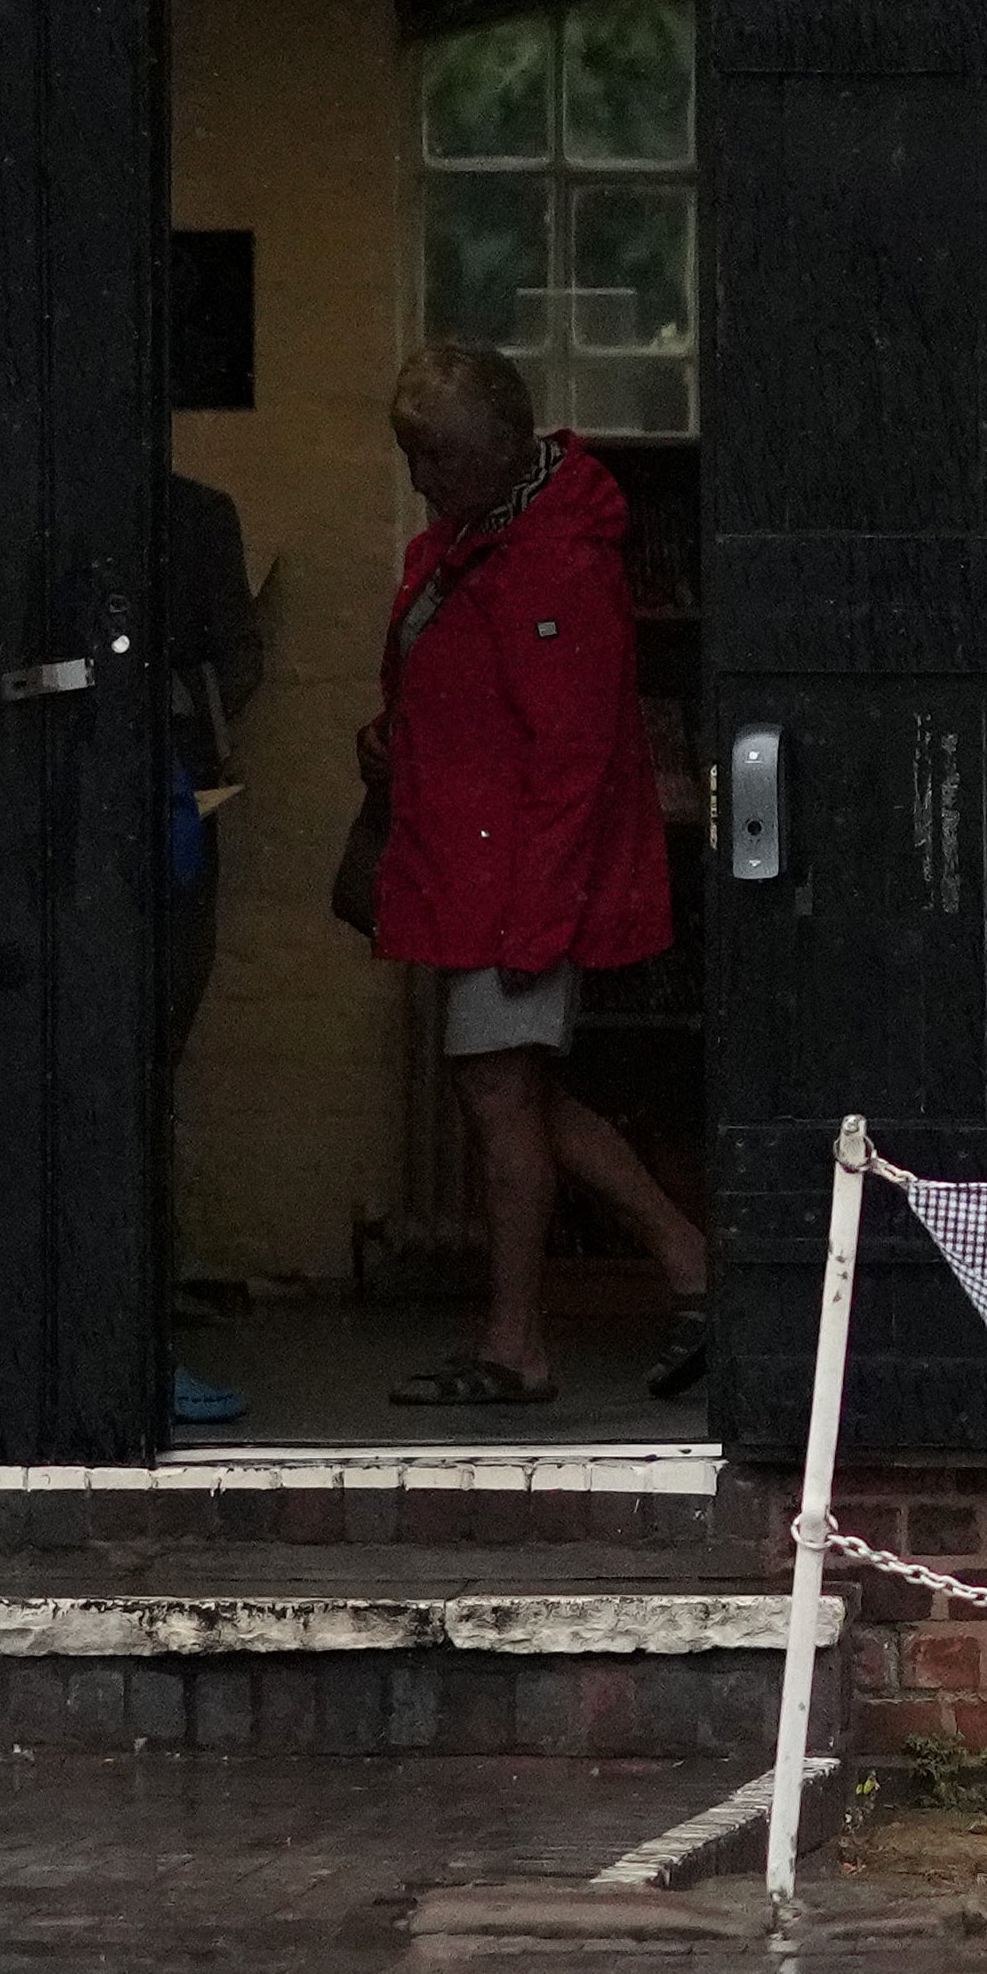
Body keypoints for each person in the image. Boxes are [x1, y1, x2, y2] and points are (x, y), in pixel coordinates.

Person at [364, 340, 711, 1410]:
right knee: (512, 1090)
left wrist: (536, 919)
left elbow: (571, 762)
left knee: (501, 1096)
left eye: (443, 462)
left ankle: (519, 1342)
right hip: (474, 864)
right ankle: (690, 1264)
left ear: (501, 453)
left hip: (509, 874)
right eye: (418, 458)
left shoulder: (551, 560)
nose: (426, 482)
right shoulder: (489, 535)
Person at [158, 467, 266, 1429]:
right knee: (136, 1071)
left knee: (139, 1068)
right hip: (166, 801)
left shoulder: (196, 515)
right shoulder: (198, 515)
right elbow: (240, 660)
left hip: (167, 802)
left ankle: (137, 1316)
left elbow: (237, 660)